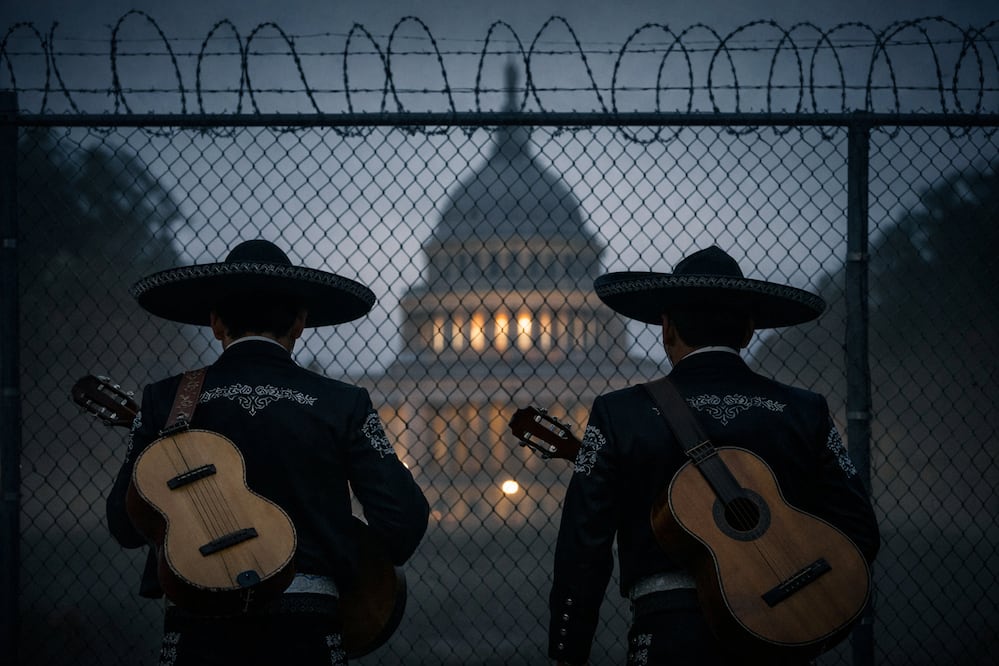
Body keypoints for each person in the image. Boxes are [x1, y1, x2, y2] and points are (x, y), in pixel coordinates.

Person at [547, 246, 880, 666]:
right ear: (747, 331)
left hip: (669, 635)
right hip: (779, 632)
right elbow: (860, 532)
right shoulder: (804, 410)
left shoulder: (619, 413)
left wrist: (566, 651)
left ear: (666, 328)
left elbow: (583, 550)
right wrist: (800, 602)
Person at [106, 239, 430, 666]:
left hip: (198, 629)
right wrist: (331, 541)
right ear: (299, 322)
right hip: (307, 627)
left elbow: (124, 525)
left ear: (216, 323)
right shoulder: (342, 403)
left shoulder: (165, 401)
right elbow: (403, 521)